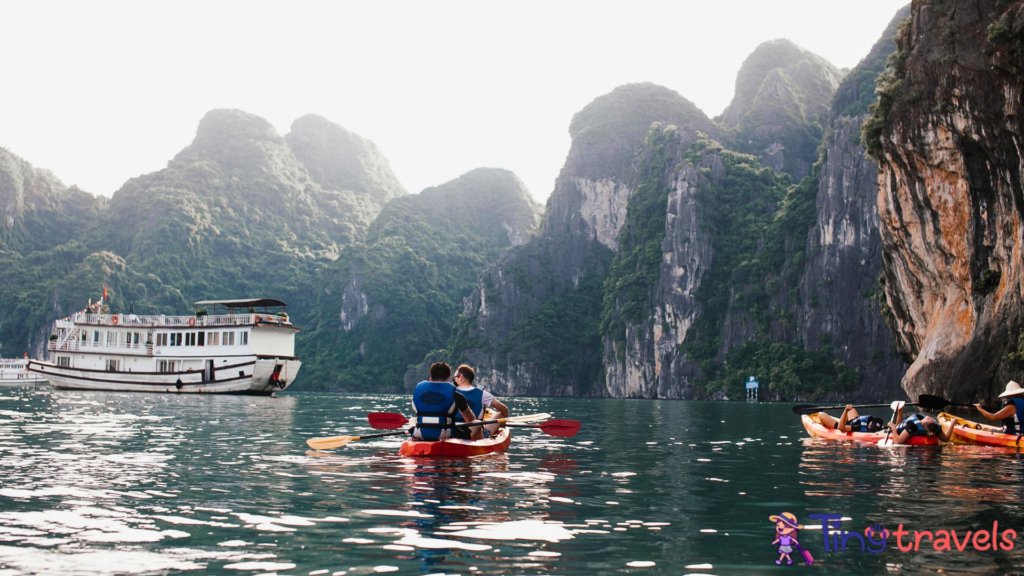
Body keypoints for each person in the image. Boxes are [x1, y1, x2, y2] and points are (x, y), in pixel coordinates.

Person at [411, 362, 483, 441]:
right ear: (448, 378)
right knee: (478, 423)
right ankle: (479, 443)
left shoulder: (418, 392)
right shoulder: (456, 395)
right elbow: (470, 420)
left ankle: (414, 439)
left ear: (430, 379)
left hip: (419, 434)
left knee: (412, 419)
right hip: (444, 435)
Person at [453, 365, 509, 436]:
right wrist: (502, 425)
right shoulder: (483, 394)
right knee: (501, 415)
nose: (454, 380)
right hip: (475, 434)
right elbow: (505, 410)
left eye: (455, 378)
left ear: (460, 377)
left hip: (453, 432)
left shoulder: (450, 392)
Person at [886, 402, 954, 444]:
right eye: (932, 419)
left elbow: (898, 442)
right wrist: (953, 423)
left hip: (899, 429)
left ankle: (900, 411)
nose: (930, 417)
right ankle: (900, 410)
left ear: (923, 423)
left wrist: (893, 427)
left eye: (929, 419)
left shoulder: (913, 426)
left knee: (897, 426)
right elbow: (946, 438)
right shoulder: (934, 427)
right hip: (902, 425)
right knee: (900, 423)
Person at [816, 404, 885, 433]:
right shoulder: (880, 427)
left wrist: (845, 411)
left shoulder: (858, 427)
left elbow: (841, 428)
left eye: (871, 425)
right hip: (854, 420)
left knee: (821, 415)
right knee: (852, 409)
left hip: (840, 426)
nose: (870, 423)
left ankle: (824, 425)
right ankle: (844, 420)